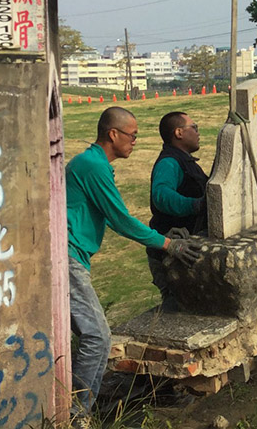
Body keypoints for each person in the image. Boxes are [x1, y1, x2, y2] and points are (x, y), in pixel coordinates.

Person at [66, 107, 201, 416]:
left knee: (95, 337)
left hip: (76, 257)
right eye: (132, 135)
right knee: (97, 337)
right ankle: (76, 415)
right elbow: (121, 220)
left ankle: (81, 406)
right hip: (68, 257)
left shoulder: (96, 164)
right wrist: (169, 245)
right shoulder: (91, 166)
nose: (135, 141)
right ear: (113, 134)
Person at [147, 112, 208, 308]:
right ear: (179, 133)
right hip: (170, 251)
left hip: (183, 250)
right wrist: (194, 205)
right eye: (194, 127)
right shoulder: (169, 162)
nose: (198, 132)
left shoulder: (185, 161)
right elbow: (161, 196)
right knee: (176, 308)